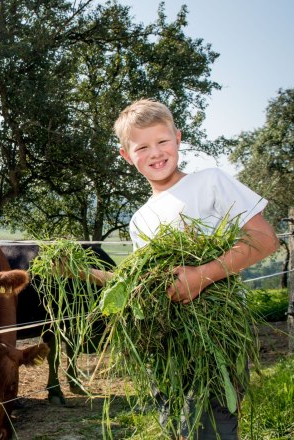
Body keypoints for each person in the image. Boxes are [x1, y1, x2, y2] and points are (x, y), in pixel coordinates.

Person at [89, 98, 279, 439]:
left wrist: (200, 276)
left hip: (213, 339)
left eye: (162, 141)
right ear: (126, 155)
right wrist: (82, 270)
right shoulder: (139, 220)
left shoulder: (209, 182)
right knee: (175, 427)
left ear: (178, 138)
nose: (156, 152)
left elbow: (264, 239)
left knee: (211, 429)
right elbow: (144, 284)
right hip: (165, 346)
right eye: (142, 147)